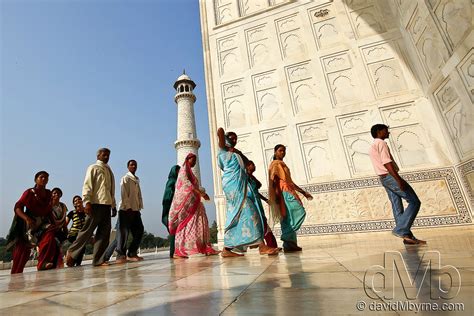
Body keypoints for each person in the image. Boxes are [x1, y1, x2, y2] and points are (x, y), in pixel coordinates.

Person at [217, 127, 279, 257]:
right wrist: (223, 135)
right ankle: (261, 246)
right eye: (231, 138)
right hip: (233, 185)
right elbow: (220, 133)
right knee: (250, 211)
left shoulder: (235, 153)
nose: (234, 140)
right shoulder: (223, 150)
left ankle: (226, 249)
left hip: (239, 185)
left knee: (236, 215)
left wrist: (236, 150)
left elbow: (247, 163)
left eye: (236, 138)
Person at [369, 124, 426, 245]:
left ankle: (407, 236)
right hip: (390, 177)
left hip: (383, 178)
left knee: (397, 206)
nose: (388, 133)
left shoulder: (373, 145)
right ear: (379, 132)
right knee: (414, 201)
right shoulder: (381, 143)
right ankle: (401, 229)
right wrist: (398, 179)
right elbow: (386, 162)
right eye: (386, 131)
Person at [66, 148, 117, 267]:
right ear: (98, 155)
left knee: (104, 234)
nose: (106, 157)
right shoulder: (93, 168)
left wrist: (113, 205)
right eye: (104, 155)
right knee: (87, 231)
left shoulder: (109, 170)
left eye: (108, 155)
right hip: (95, 204)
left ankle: (98, 260)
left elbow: (111, 190)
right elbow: (87, 185)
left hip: (106, 204)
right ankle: (72, 252)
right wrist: (87, 202)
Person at [168, 153, 220, 258]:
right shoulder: (183, 171)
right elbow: (187, 185)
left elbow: (194, 185)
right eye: (193, 159)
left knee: (198, 223)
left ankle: (199, 246)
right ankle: (181, 250)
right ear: (187, 159)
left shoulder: (190, 172)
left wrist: (201, 192)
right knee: (185, 224)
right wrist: (201, 193)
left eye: (196, 160)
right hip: (186, 203)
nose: (195, 162)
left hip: (194, 201)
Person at [268, 144, 313, 253]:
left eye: (284, 151)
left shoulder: (282, 164)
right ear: (275, 152)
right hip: (283, 193)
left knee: (289, 218)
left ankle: (290, 245)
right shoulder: (275, 164)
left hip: (289, 190)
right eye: (280, 150)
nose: (282, 153)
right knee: (297, 213)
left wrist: (303, 192)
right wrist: (278, 196)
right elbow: (274, 182)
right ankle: (287, 238)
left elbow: (290, 182)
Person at [6, 171, 53, 274]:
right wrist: (27, 218)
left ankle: (42, 262)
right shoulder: (29, 193)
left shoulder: (49, 194)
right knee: (22, 253)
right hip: (29, 225)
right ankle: (15, 275)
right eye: (42, 177)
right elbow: (18, 207)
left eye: (46, 177)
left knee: (50, 234)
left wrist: (55, 224)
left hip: (42, 224)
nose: (44, 179)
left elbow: (49, 211)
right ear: (36, 179)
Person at [115, 159, 145, 263]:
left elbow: (138, 195)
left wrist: (139, 206)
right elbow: (124, 194)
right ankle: (120, 255)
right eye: (131, 165)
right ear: (128, 167)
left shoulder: (136, 179)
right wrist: (128, 207)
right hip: (126, 209)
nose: (134, 166)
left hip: (135, 209)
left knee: (139, 230)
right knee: (124, 233)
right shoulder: (126, 178)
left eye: (135, 165)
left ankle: (132, 253)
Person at [246, 160, 279, 249]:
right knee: (262, 223)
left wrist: (265, 200)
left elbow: (256, 191)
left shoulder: (251, 177)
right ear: (247, 166)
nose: (254, 166)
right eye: (252, 164)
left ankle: (270, 246)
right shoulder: (245, 178)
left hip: (257, 202)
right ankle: (270, 246)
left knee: (262, 221)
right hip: (252, 204)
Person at [37, 187, 68, 270]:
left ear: (61, 195)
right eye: (54, 193)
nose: (56, 195)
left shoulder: (63, 206)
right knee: (50, 243)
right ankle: (43, 263)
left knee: (66, 244)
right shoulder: (48, 205)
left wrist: (66, 232)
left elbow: (64, 221)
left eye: (58, 193)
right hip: (48, 229)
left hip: (58, 230)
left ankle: (56, 264)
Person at [162, 165, 180, 258]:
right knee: (173, 231)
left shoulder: (177, 182)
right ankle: (173, 253)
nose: (179, 173)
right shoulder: (172, 182)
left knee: (175, 231)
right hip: (169, 211)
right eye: (178, 171)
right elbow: (168, 196)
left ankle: (174, 252)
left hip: (173, 210)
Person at [66, 195, 87, 266]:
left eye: (79, 199)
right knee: (80, 243)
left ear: (82, 201)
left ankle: (77, 262)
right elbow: (65, 223)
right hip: (73, 234)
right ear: (74, 204)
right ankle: (71, 259)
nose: (77, 201)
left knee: (83, 245)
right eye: (75, 200)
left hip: (83, 234)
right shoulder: (72, 213)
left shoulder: (87, 211)